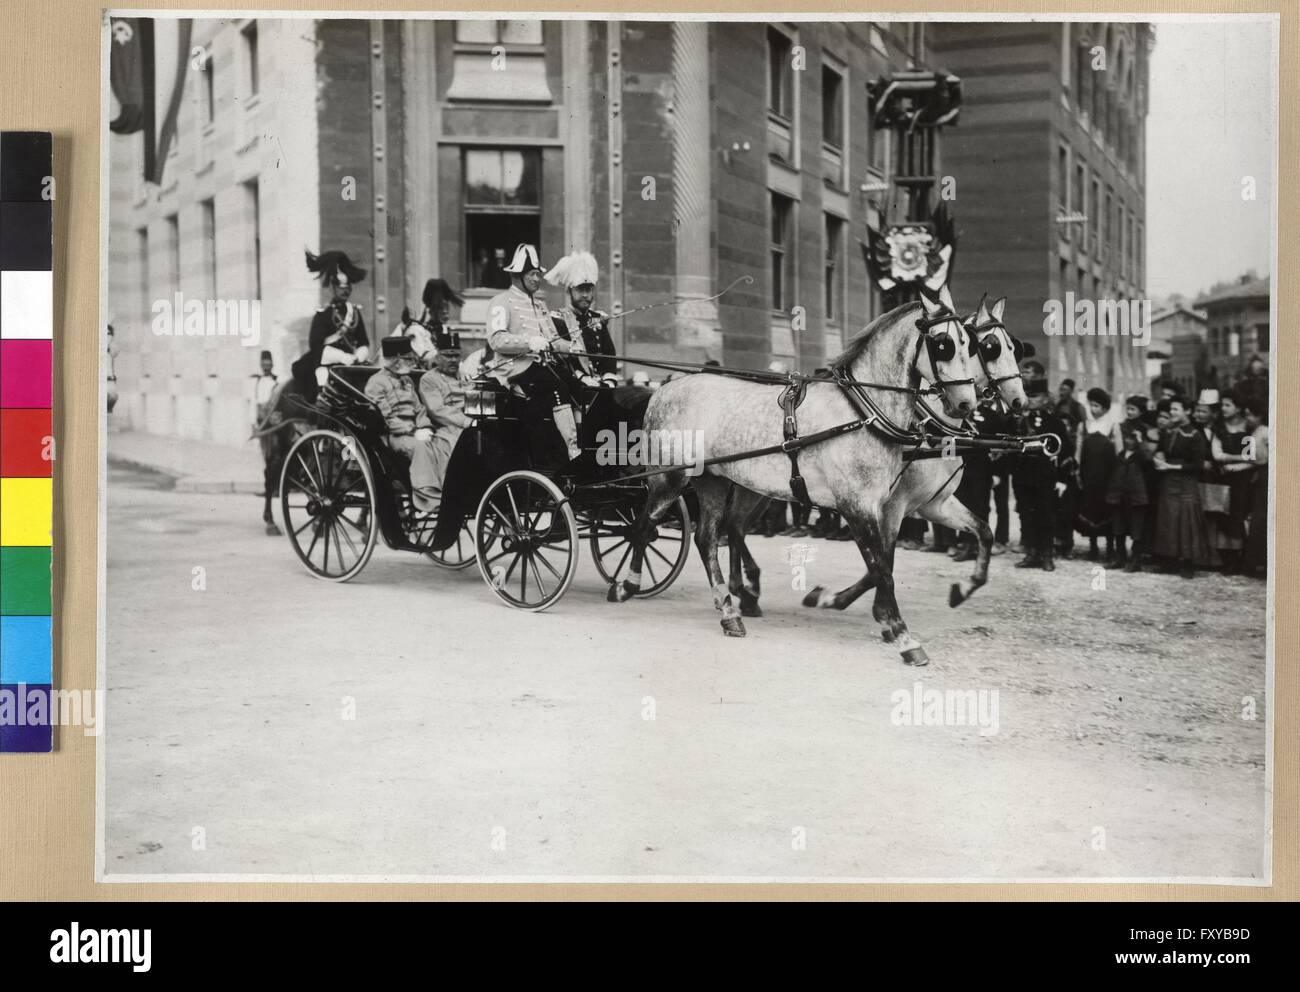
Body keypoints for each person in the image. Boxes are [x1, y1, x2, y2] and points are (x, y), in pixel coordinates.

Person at [485, 244, 583, 462]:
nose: (538, 279)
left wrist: (570, 347)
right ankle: (572, 449)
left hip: (542, 367)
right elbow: (497, 340)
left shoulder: (539, 305)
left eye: (538, 274)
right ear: (518, 276)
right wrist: (529, 342)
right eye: (533, 274)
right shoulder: (501, 302)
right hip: (516, 370)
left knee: (577, 385)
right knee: (557, 388)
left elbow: (551, 342)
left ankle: (584, 442)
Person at [365, 337, 442, 512]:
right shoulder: (376, 383)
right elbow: (386, 418)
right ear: (396, 360)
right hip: (393, 436)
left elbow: (419, 409)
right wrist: (413, 431)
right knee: (420, 447)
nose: (412, 362)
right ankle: (427, 496)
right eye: (408, 358)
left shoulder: (407, 381)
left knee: (441, 443)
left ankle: (444, 489)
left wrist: (426, 427)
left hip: (415, 432)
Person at [291, 250, 370, 401]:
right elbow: (316, 345)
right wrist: (342, 357)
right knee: (299, 367)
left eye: (347, 288)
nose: (345, 291)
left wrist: (358, 356)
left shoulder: (354, 313)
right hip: (327, 360)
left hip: (352, 360)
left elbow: (363, 341)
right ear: (333, 289)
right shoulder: (323, 315)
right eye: (341, 288)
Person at [1013, 375, 1070, 571]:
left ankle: (1047, 554)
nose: (1031, 399)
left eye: (1035, 396)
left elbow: (1066, 452)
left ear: (1046, 398)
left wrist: (1063, 479)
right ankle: (1031, 553)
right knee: (1027, 515)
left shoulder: (1055, 423)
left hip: (1046, 477)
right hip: (1024, 477)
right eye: (1028, 395)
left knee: (1046, 516)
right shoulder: (1019, 422)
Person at [544, 251, 620, 387]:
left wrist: (609, 381)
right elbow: (562, 362)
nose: (585, 295)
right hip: (576, 387)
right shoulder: (558, 319)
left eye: (589, 290)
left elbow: (609, 355)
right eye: (580, 289)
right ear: (569, 291)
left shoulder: (597, 319)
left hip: (601, 386)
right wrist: (584, 379)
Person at [1152, 396, 1208, 578]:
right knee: (1169, 517)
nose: (1172, 413)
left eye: (1176, 409)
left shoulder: (1196, 435)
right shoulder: (1168, 432)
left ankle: (1188, 562)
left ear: (1188, 412)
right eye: (1171, 410)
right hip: (1168, 481)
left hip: (1186, 482)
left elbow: (1197, 465)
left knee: (1186, 520)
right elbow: (1161, 449)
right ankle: (1170, 560)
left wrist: (1171, 467)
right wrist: (1159, 458)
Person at [417, 329, 471, 495]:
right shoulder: (429, 379)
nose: (453, 360)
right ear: (438, 356)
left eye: (456, 355)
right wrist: (465, 421)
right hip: (445, 427)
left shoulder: (466, 375)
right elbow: (437, 410)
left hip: (471, 422)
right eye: (448, 355)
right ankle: (452, 493)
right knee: (457, 445)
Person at [1210, 389, 1254, 574]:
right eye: (1223, 405)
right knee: (1223, 515)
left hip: (1243, 479)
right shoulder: (1220, 428)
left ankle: (1240, 556)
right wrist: (1238, 458)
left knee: (1239, 515)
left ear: (1238, 408)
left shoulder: (1247, 428)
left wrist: (1234, 464)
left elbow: (1251, 459)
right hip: (1223, 478)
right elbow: (1216, 455)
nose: (1224, 408)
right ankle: (1227, 557)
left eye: (1228, 405)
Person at [1076, 387, 1119, 563]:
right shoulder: (1084, 425)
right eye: (1091, 405)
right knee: (1090, 507)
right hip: (1089, 472)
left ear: (1105, 408)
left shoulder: (1113, 426)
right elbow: (1078, 450)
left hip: (1106, 474)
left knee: (1106, 509)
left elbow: (1118, 451)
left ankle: (1110, 547)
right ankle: (1093, 546)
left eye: (1097, 406)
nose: (1093, 410)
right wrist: (1078, 470)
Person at [1106, 425, 1149, 572]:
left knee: (1137, 528)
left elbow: (1148, 460)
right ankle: (1120, 557)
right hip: (1119, 495)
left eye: (1133, 438)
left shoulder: (1141, 456)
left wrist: (1141, 442)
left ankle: (1135, 560)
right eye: (1128, 438)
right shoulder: (1120, 455)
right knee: (1118, 527)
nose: (1129, 441)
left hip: (1136, 496)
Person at [394, 278, 464, 367]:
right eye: (440, 308)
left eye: (446, 307)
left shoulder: (444, 330)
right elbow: (425, 355)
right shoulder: (416, 329)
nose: (445, 312)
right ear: (431, 309)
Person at [1241, 397, 1269, 577]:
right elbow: (1248, 459)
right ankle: (1255, 561)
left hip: (1269, 476)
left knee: (1265, 517)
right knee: (1257, 519)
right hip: (1257, 477)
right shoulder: (1250, 435)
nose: (1247, 419)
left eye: (1250, 415)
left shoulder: (1266, 432)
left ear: (1259, 416)